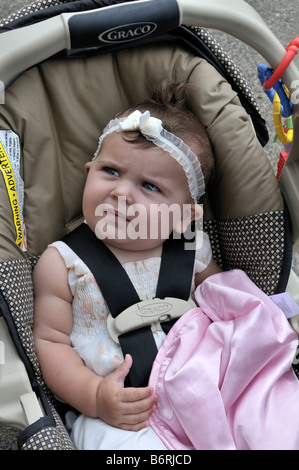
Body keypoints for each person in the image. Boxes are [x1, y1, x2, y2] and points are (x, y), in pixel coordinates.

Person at [33, 81, 221, 450]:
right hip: (121, 414)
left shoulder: (191, 248)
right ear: (88, 172)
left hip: (204, 390)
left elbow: (224, 305)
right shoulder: (62, 263)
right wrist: (94, 396)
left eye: (149, 186)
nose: (121, 192)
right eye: (111, 172)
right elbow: (51, 342)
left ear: (183, 217)